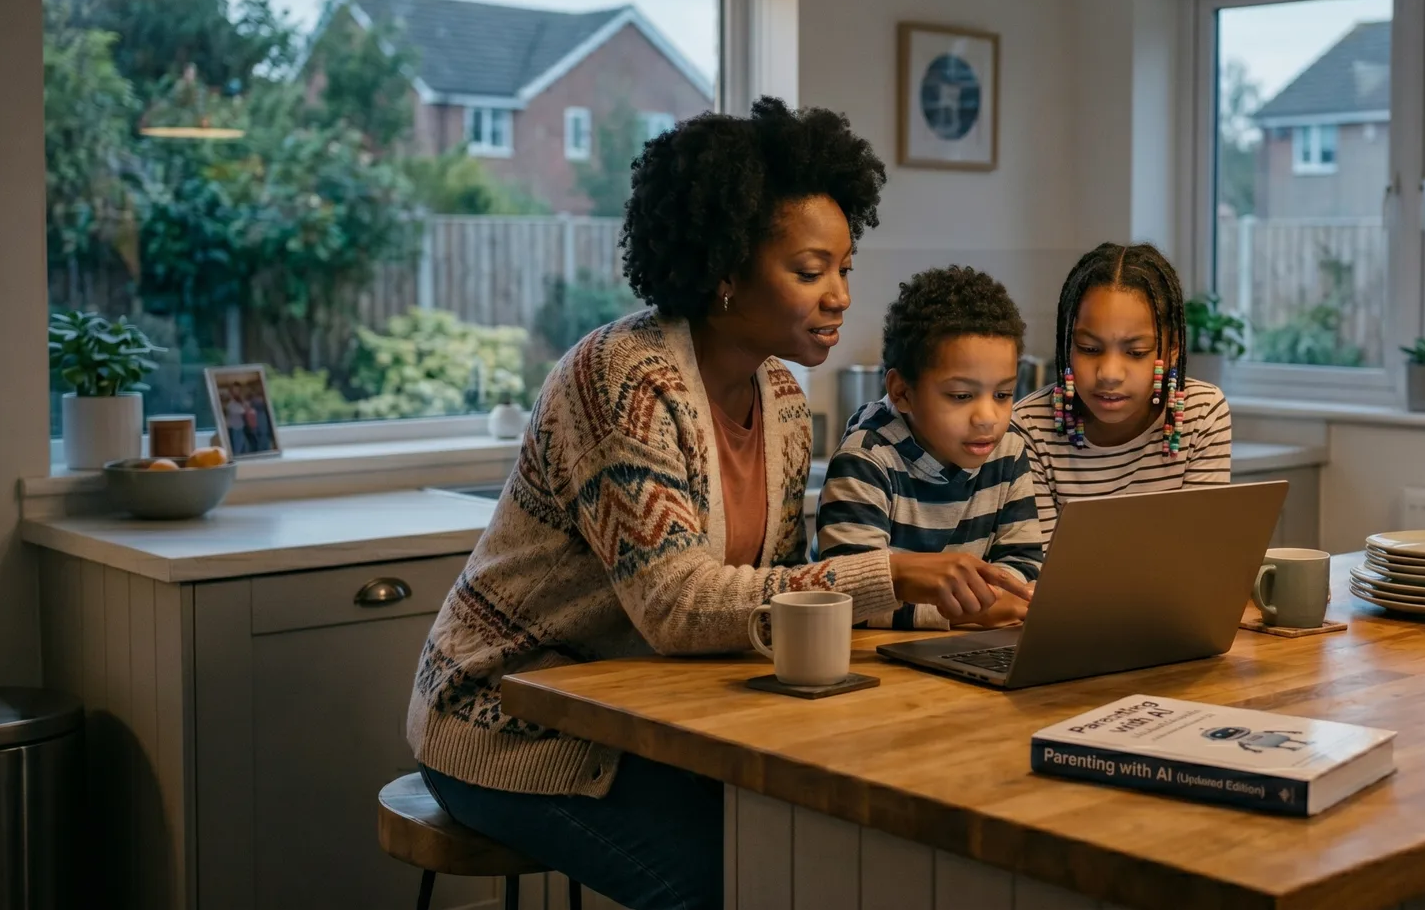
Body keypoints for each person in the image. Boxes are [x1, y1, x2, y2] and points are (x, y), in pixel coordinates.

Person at [403, 97, 1027, 910]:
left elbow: (762, 599)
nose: (839, 295)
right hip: (505, 718)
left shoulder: (784, 399)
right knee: (738, 873)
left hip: (648, 714)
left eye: (845, 268)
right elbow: (679, 605)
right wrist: (896, 573)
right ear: (725, 271)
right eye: (810, 271)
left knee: (830, 837)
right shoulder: (619, 378)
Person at [816, 266, 1043, 631]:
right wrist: (965, 613)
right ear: (902, 392)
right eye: (960, 396)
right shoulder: (865, 462)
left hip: (962, 646)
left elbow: (1023, 564)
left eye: (1002, 394)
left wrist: (992, 603)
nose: (987, 417)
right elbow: (849, 598)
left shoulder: (1008, 450)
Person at [1010, 242, 1234, 542]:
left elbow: (1200, 551)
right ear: (1067, 345)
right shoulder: (1030, 427)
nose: (1109, 374)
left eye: (1136, 352)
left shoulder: (1202, 412)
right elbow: (1047, 572)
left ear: (1173, 350)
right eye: (1089, 349)